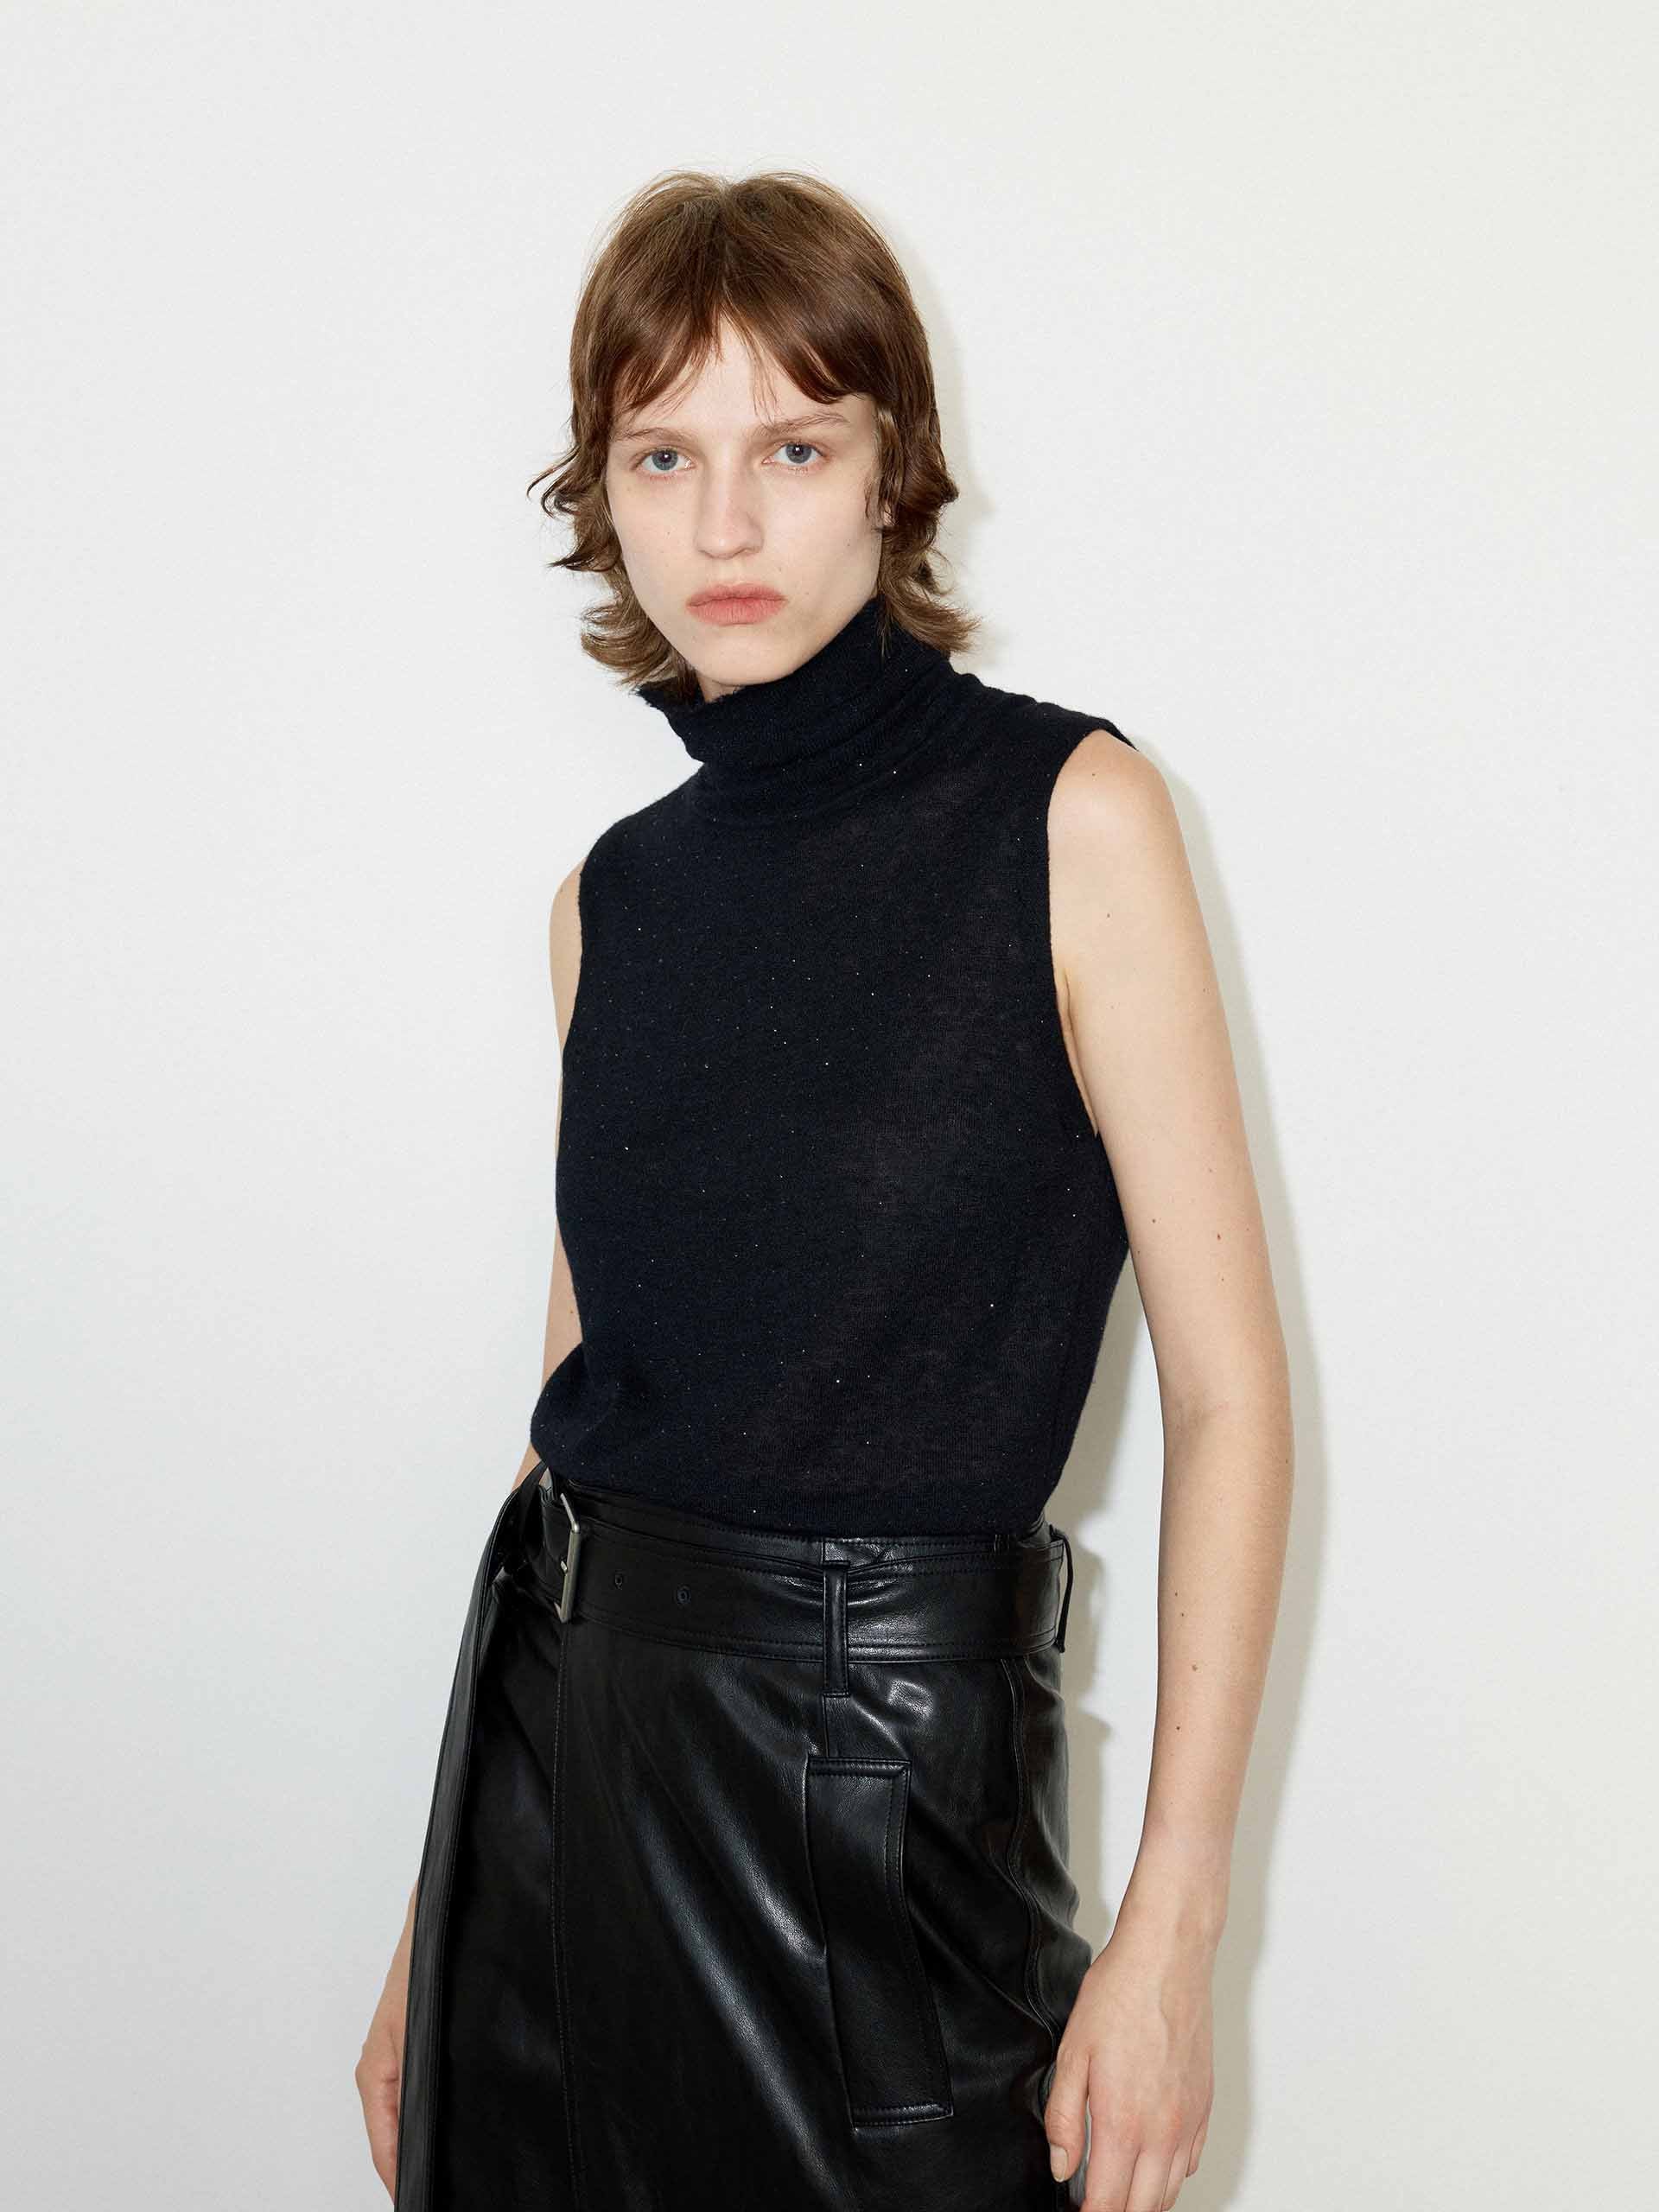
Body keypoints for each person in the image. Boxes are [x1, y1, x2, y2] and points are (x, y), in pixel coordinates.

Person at [357, 168, 1292, 2212]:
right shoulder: (611, 902)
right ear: (602, 495)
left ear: (893, 474)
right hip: (557, 1795)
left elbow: (1232, 1398)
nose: (722, 523)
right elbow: (574, 1420)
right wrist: (441, 1911)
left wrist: (1175, 1925)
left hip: (888, 1809)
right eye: (661, 454)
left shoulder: (1071, 816)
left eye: (792, 446)